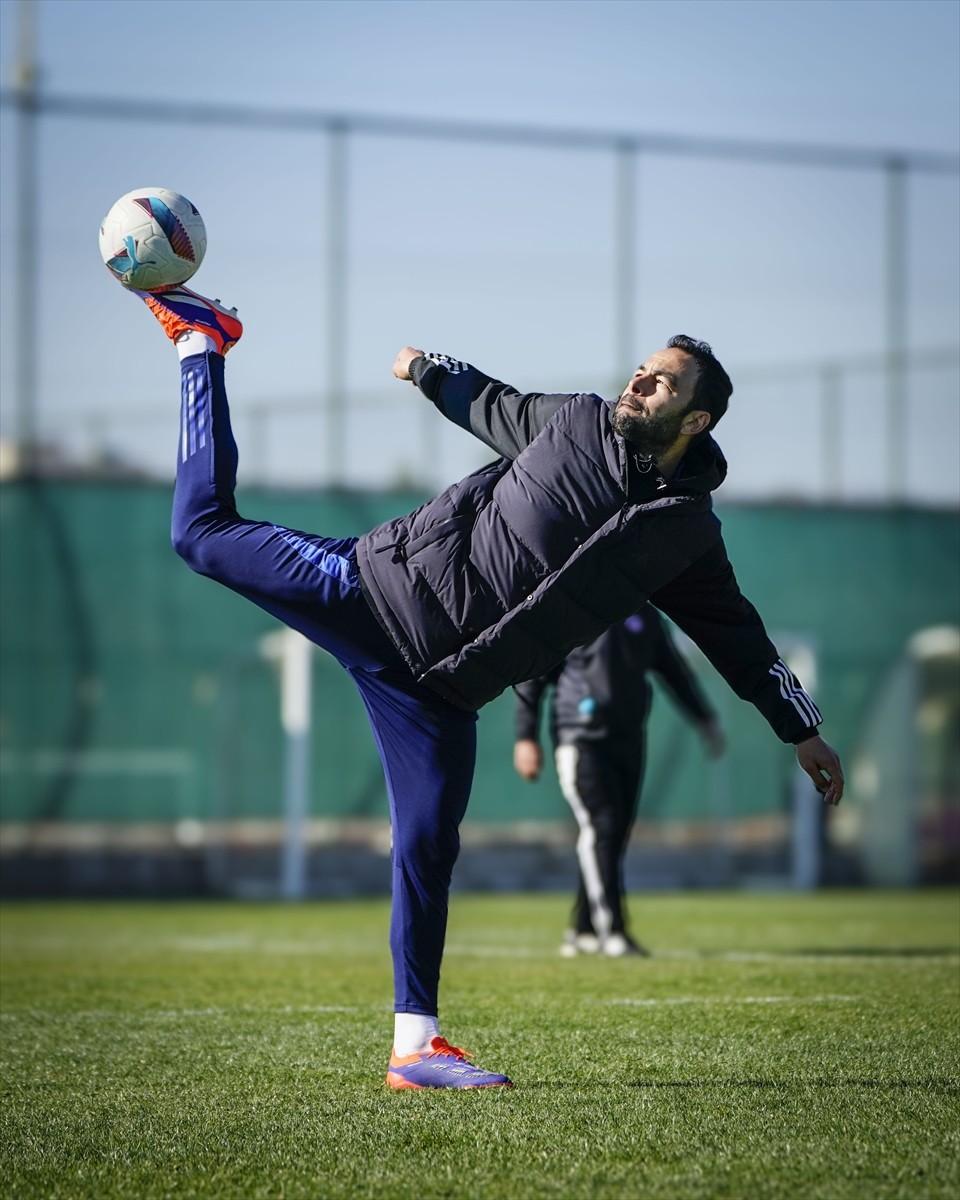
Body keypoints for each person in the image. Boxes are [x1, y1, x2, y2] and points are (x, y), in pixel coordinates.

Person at [120, 282, 844, 1090]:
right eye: (643, 369)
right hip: (373, 594)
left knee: (428, 842)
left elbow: (736, 635)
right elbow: (487, 401)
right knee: (201, 534)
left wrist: (800, 729)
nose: (639, 382)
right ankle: (201, 343)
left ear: (696, 421)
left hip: (442, 694)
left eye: (663, 381)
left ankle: (416, 1048)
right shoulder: (572, 421)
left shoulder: (684, 535)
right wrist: (428, 368)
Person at [513, 605, 725, 959]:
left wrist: (704, 717)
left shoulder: (646, 613)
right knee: (603, 827)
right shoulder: (571, 605)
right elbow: (533, 673)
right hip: (580, 735)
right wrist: (525, 736)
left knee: (611, 837)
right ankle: (612, 931)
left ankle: (582, 930)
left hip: (629, 739)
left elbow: (672, 669)